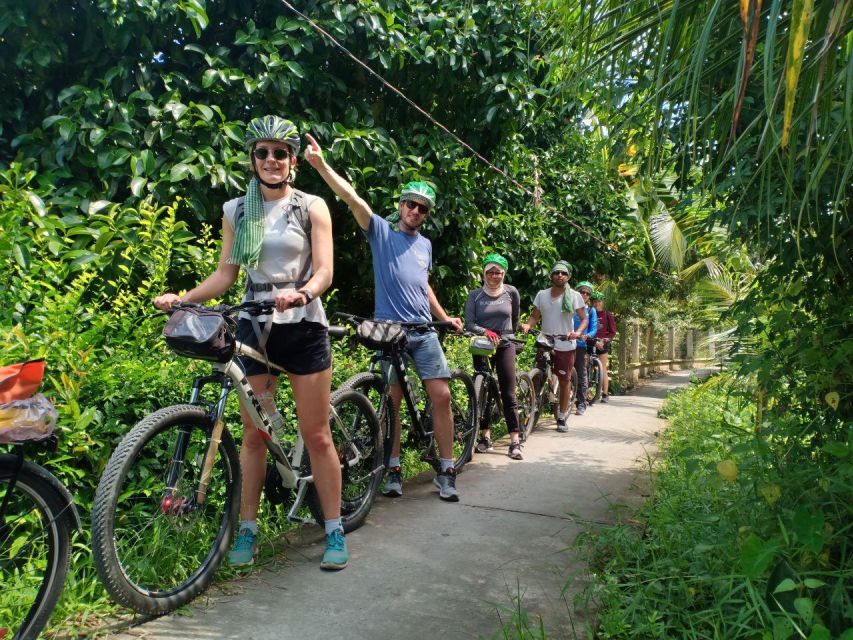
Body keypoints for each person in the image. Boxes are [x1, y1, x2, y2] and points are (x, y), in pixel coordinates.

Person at [153, 115, 349, 570]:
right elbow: (226, 276)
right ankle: (247, 529)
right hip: (254, 324)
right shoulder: (237, 210)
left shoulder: (311, 205)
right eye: (263, 152)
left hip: (301, 323)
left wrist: (303, 292)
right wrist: (181, 298)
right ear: (252, 160)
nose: (271, 160)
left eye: (280, 153)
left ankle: (334, 529)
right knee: (255, 436)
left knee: (316, 435)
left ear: (293, 161)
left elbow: (325, 270)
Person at [303, 134, 465, 502]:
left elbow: (423, 286)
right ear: (401, 205)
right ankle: (392, 468)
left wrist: (445, 317)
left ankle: (447, 466)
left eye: (423, 209)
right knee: (390, 401)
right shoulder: (381, 231)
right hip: (389, 332)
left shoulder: (425, 245)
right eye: (411, 204)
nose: (416, 212)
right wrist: (321, 165)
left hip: (424, 332)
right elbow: (352, 199)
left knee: (440, 396)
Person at [464, 253, 524, 460]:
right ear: (484, 273)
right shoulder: (475, 295)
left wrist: (506, 335)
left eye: (498, 272)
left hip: (505, 344)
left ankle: (515, 440)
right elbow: (469, 323)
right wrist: (484, 332)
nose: (494, 276)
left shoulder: (511, 292)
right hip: (482, 345)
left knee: (508, 393)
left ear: (504, 273)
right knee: (483, 392)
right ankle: (485, 436)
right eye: (490, 271)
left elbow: (514, 318)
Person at [519, 261, 587, 432]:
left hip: (565, 343)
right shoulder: (542, 295)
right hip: (545, 340)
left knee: (564, 381)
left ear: (568, 276)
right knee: (536, 376)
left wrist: (577, 332)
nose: (560, 275)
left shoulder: (574, 296)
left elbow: (584, 318)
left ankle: (562, 416)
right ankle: (531, 408)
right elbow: (535, 316)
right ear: (551, 275)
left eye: (563, 273)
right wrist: (528, 325)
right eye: (556, 272)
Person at [572, 280, 597, 415]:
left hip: (580, 344)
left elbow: (593, 329)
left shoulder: (591, 310)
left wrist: (586, 335)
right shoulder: (569, 306)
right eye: (582, 292)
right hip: (565, 342)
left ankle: (581, 403)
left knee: (581, 373)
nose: (584, 295)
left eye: (587, 293)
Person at [592, 291, 616, 402]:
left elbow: (612, 332)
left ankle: (605, 394)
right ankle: (586, 392)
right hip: (590, 343)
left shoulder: (607, 315)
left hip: (603, 344)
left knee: (603, 368)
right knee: (586, 367)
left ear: (602, 302)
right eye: (595, 301)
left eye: (599, 301)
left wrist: (604, 341)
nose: (597, 304)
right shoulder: (589, 313)